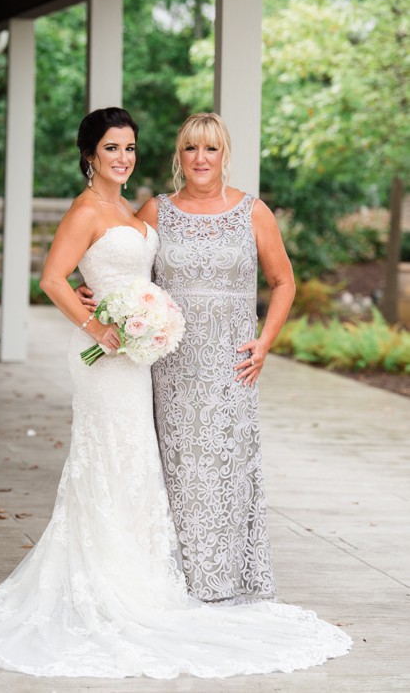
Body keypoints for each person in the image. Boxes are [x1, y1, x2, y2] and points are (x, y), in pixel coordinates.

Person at [0, 108, 350, 678]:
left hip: (163, 359)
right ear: (91, 154)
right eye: (112, 149)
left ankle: (171, 577)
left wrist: (257, 341)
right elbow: (58, 275)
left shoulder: (138, 208)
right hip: (123, 359)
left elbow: (116, 272)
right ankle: (115, 585)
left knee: (142, 466)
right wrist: (97, 321)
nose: (122, 157)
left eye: (129, 149)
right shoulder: (136, 209)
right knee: (121, 462)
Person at [142, 112, 295, 603]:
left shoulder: (253, 212)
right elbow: (125, 269)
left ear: (224, 154)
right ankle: (180, 581)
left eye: (210, 148)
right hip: (172, 365)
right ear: (179, 156)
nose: (200, 159)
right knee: (180, 468)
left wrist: (265, 341)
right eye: (190, 149)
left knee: (227, 468)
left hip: (231, 364)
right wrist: (92, 292)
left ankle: (228, 580)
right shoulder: (155, 211)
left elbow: (283, 282)